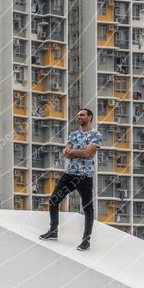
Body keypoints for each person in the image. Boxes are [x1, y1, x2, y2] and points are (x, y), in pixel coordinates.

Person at [39, 108, 102, 251]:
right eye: (78, 115)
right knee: (54, 200)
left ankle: (86, 240)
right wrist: (76, 153)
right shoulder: (73, 134)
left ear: (89, 117)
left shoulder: (96, 135)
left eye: (82, 115)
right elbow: (66, 153)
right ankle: (53, 230)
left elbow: (87, 153)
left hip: (84, 175)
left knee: (87, 208)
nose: (78, 117)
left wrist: (74, 152)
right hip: (70, 173)